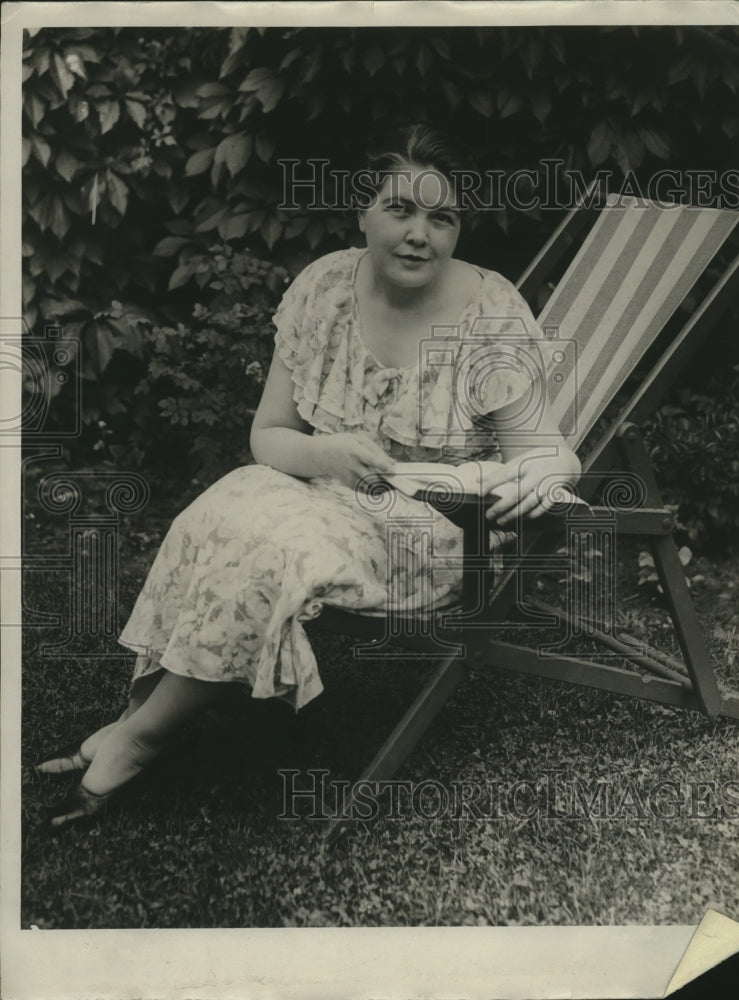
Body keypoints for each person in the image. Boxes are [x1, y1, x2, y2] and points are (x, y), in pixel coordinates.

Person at [37, 122, 581, 829]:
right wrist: (325, 455)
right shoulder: (324, 288)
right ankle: (134, 716)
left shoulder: (489, 316)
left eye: (442, 218)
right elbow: (268, 437)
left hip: (438, 528)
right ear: (362, 213)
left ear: (458, 230)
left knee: (275, 546)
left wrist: (543, 475)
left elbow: (550, 453)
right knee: (217, 510)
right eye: (400, 210)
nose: (420, 234)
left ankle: (141, 739)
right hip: (321, 488)